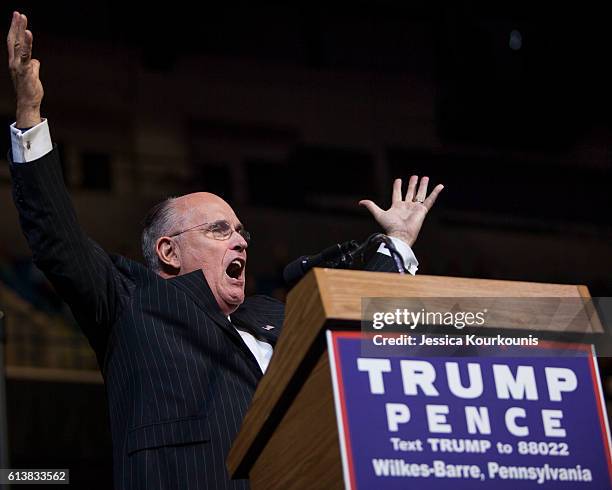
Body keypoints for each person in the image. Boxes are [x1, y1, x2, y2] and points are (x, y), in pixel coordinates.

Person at [6, 11, 444, 490]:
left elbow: (355, 333)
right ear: (169, 252)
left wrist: (397, 242)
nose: (239, 240)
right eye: (219, 230)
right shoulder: (130, 301)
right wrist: (30, 115)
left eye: (240, 232)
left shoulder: (272, 316)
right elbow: (57, 238)